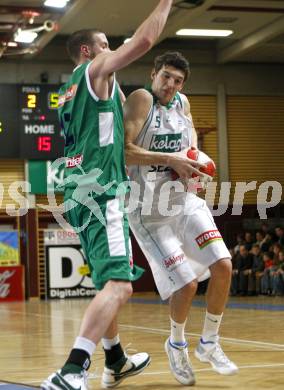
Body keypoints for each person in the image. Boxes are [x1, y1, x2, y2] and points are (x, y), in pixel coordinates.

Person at [41, 2, 174, 390]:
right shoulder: (93, 71)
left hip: (78, 189)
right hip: (100, 191)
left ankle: (115, 359)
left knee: (106, 283)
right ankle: (72, 369)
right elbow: (145, 40)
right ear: (87, 51)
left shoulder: (71, 89)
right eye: (104, 44)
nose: (110, 48)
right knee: (121, 285)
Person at [124, 51, 238, 386]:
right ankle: (176, 344)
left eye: (177, 80)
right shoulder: (141, 99)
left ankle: (209, 343)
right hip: (148, 211)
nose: (170, 85)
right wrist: (171, 159)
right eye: (166, 77)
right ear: (153, 74)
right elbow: (124, 150)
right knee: (186, 283)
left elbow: (189, 153)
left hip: (183, 200)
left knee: (224, 265)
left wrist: (197, 169)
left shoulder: (183, 105)